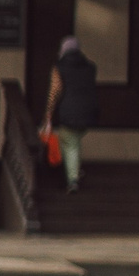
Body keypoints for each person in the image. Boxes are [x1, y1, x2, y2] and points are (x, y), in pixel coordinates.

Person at [41, 37, 98, 194]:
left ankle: (73, 179)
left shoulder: (59, 67)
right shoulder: (91, 67)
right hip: (88, 112)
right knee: (75, 141)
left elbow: (55, 92)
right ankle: (75, 169)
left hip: (68, 112)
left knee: (69, 144)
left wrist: (48, 114)